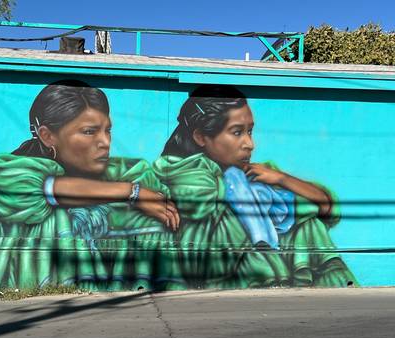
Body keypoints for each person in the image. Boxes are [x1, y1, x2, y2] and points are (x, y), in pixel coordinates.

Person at [0, 81, 183, 292]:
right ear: (47, 136)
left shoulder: (114, 172)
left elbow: (147, 187)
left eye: (108, 130)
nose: (105, 142)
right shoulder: (13, 172)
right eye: (89, 131)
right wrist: (131, 193)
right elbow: (45, 190)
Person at [153, 84, 358, 288]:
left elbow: (326, 207)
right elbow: (199, 203)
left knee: (309, 226)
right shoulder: (184, 173)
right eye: (236, 132)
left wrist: (281, 179)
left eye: (249, 131)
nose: (250, 144)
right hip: (218, 277)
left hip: (272, 278)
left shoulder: (260, 174)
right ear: (200, 137)